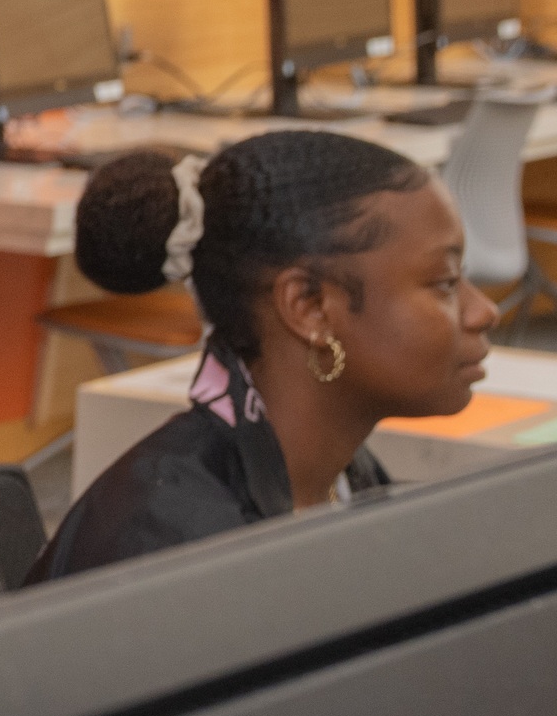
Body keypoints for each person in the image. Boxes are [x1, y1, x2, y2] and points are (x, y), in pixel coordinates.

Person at [30, 131, 499, 580]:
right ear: (310, 308)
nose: (484, 311)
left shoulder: (346, 477)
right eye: (445, 282)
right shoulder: (173, 546)